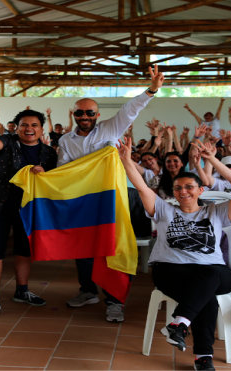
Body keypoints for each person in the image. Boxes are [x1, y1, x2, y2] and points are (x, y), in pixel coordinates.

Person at [120, 136, 231, 371]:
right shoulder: (163, 209)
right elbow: (141, 186)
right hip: (171, 271)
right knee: (207, 297)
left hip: (213, 271)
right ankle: (203, 356)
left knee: (211, 276)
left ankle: (180, 322)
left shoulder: (216, 211)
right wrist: (126, 161)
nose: (183, 191)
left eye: (189, 187)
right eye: (178, 188)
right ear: (173, 191)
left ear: (200, 190)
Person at [57, 64, 164, 322]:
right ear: (74, 114)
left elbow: (131, 109)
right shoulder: (65, 141)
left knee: (113, 248)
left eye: (89, 112)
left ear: (97, 114)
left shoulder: (110, 129)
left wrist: (151, 90)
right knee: (82, 247)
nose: (84, 116)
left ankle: (115, 300)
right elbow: (62, 170)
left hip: (112, 200)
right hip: (82, 201)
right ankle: (88, 290)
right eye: (80, 112)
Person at [0, 110, 57, 316]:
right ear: (17, 127)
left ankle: (22, 291)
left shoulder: (49, 154)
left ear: (41, 129)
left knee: (24, 251)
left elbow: (54, 181)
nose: (29, 128)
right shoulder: (8, 141)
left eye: (34, 125)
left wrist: (44, 175)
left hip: (29, 208)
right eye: (23, 125)